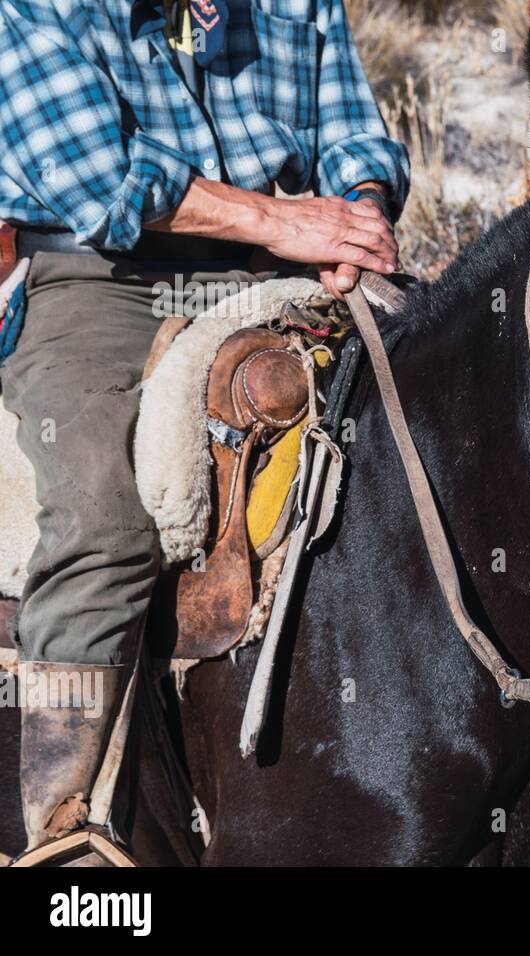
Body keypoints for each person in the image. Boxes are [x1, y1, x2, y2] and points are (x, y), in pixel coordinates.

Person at [0, 0, 408, 855]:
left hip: (276, 267)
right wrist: (291, 222)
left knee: (428, 415)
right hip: (99, 276)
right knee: (103, 511)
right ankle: (66, 826)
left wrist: (358, 218)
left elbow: (353, 137)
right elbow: (97, 179)